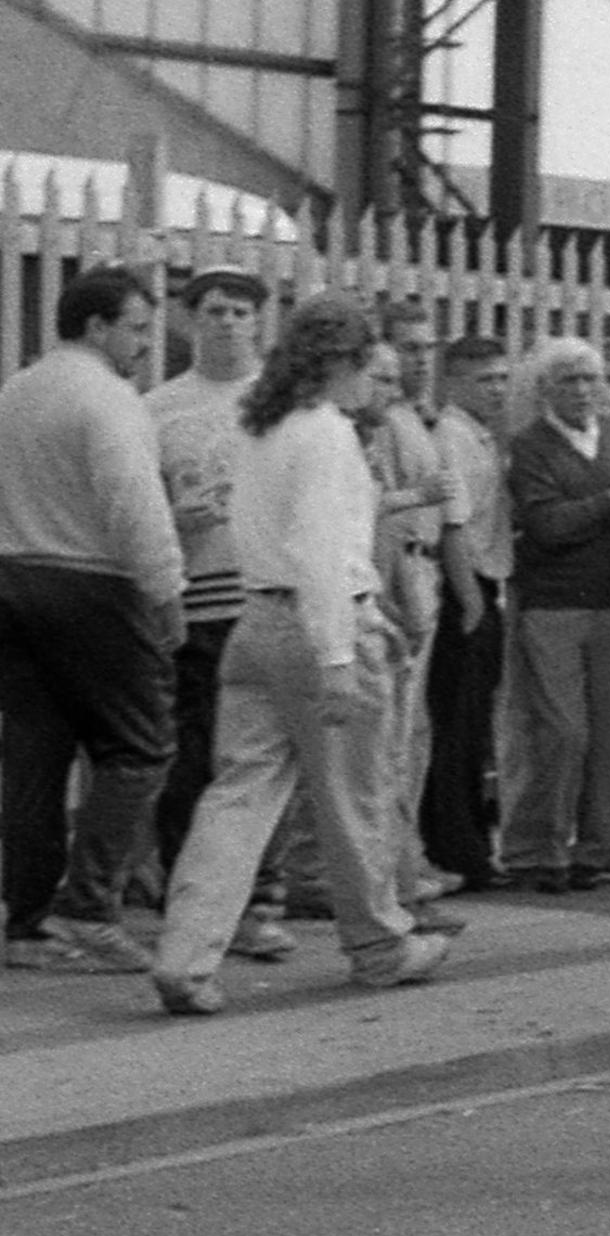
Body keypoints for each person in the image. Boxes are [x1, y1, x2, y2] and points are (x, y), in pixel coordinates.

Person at [146, 297, 459, 1013]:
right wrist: (339, 659)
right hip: (324, 625)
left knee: (238, 794)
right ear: (342, 365)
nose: (373, 383)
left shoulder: (260, 423)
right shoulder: (327, 435)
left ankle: (187, 953)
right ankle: (381, 943)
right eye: (366, 368)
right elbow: (322, 548)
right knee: (355, 798)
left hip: (253, 620)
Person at [0, 269, 182, 972]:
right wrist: (166, 595)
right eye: (137, 327)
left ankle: (28, 921)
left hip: (13, 578)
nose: (145, 343)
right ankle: (89, 908)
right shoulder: (109, 400)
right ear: (98, 327)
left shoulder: (15, 392)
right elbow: (135, 503)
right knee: (140, 747)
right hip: (94, 586)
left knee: (34, 757)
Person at [144, 263, 293, 959]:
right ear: (188, 319)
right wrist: (175, 521)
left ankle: (260, 897)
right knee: (194, 754)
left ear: (259, 321)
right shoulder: (159, 408)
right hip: (197, 598)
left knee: (260, 759)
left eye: (239, 310)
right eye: (213, 310)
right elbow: (137, 509)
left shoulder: (282, 401)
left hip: (266, 594)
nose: (227, 322)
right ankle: (192, 899)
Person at [501, 337, 610, 893]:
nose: (585, 390)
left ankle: (604, 845)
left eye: (592, 378)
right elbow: (546, 525)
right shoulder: (531, 447)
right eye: (569, 380)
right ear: (545, 390)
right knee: (562, 729)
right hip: (555, 603)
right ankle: (538, 847)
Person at [353, 319, 469, 926]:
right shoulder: (386, 426)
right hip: (399, 575)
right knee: (392, 741)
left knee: (410, 737)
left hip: (418, 573)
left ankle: (406, 862)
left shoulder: (417, 420)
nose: (420, 361)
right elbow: (386, 517)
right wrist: (402, 597)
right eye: (407, 350)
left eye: (428, 349)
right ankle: (396, 875)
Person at [420, 335, 511, 887]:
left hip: (486, 579)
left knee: (473, 723)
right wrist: (472, 600)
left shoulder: (478, 435)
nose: (497, 389)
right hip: (467, 586)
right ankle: (458, 847)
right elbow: (454, 524)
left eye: (502, 378)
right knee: (457, 723)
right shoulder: (452, 437)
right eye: (484, 380)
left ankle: (469, 840)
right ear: (453, 382)